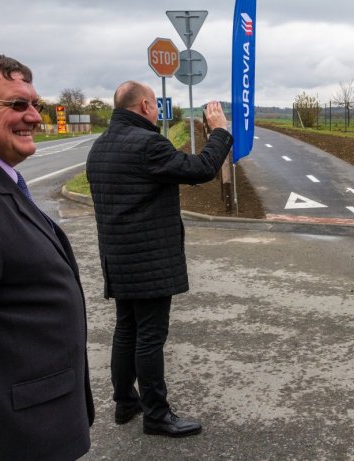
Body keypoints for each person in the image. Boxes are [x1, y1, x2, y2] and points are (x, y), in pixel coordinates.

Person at [86, 81, 233, 438]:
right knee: (150, 336)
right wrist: (219, 132)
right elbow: (200, 169)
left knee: (127, 329)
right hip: (148, 258)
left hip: (117, 257)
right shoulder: (149, 144)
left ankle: (125, 402)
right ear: (146, 106)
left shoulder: (99, 146)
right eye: (154, 106)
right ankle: (156, 414)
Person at [0, 53, 94, 459]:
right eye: (16, 105)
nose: (33, 116)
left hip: (36, 423)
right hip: (15, 434)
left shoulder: (2, 181)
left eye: (35, 104)